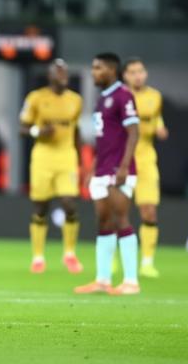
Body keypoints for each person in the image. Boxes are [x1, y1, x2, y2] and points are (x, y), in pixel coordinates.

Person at [75, 52, 140, 296]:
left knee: (121, 219)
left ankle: (131, 281)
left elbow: (134, 132)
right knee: (104, 222)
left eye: (98, 68)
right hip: (102, 169)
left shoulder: (123, 95)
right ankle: (103, 279)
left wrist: (123, 166)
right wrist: (93, 168)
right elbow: (105, 139)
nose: (94, 72)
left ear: (112, 70)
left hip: (118, 170)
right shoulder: (103, 98)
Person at [19, 59, 84, 274]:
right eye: (59, 72)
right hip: (43, 157)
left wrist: (81, 160)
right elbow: (22, 128)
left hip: (66, 157)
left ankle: (70, 254)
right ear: (50, 76)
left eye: (65, 72)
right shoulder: (36, 98)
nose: (63, 76)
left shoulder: (76, 100)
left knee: (69, 204)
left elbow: (76, 130)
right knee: (41, 207)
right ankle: (38, 257)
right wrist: (38, 132)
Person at [123, 58, 169, 278]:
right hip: (122, 159)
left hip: (146, 159)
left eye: (140, 71)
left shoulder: (155, 97)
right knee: (118, 213)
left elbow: (156, 119)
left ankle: (147, 262)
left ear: (146, 73)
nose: (137, 75)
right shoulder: (119, 97)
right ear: (125, 76)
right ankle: (115, 259)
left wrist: (160, 128)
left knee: (149, 210)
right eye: (132, 72)